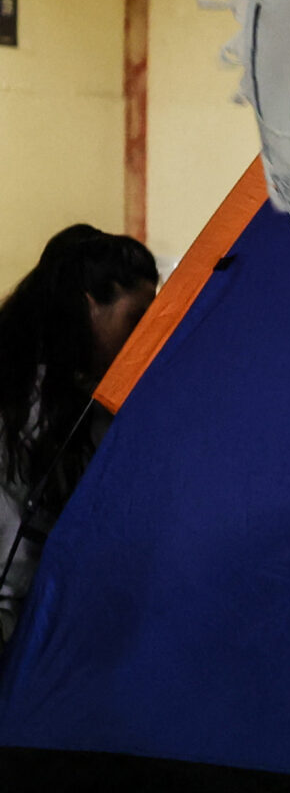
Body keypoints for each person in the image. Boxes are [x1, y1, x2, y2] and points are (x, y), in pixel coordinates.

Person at [0, 225, 156, 643]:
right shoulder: (42, 408)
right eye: (136, 318)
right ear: (90, 305)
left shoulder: (74, 401)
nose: (149, 338)